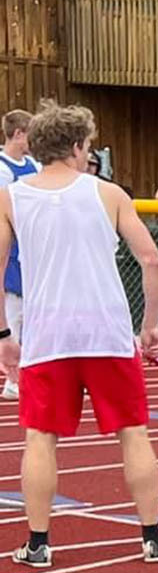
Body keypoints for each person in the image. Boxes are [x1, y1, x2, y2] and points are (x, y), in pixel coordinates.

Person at [0, 101, 158, 568]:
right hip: (107, 333)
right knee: (133, 432)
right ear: (77, 146)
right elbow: (152, 260)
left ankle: (38, 543)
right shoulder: (108, 193)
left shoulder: (12, 197)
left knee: (40, 438)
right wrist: (150, 324)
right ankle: (152, 537)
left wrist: (3, 334)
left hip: (46, 334)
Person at [1, 108, 37, 400]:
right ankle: (12, 379)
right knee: (13, 313)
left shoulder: (34, 164)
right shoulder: (2, 167)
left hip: (30, 246)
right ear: (18, 134)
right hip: (10, 246)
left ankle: (30, 373)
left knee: (33, 312)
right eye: (30, 134)